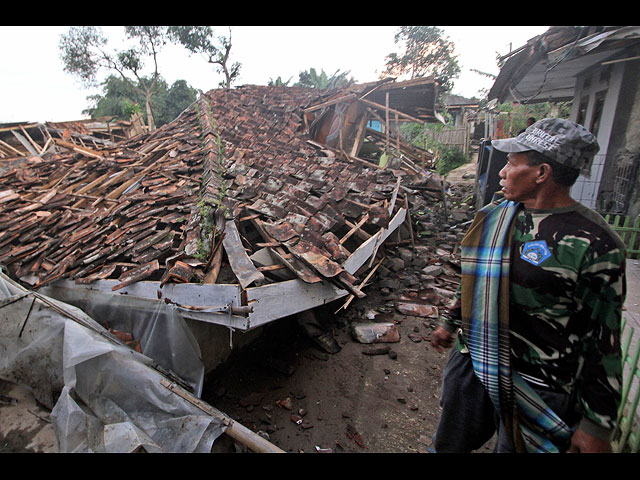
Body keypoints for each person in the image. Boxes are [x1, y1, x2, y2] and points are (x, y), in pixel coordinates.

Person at [430, 118, 626, 453]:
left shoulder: (595, 245)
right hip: (475, 361)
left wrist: (598, 424)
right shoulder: (495, 215)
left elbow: (601, 339)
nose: (502, 172)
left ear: (541, 172)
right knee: (449, 446)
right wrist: (451, 321)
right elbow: (473, 276)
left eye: (511, 162)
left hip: (540, 385)